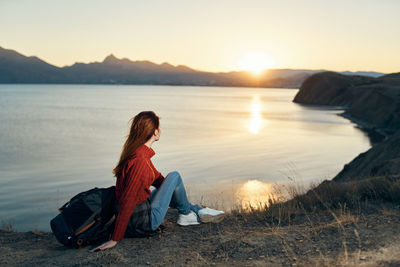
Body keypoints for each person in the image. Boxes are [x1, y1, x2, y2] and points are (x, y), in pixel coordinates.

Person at [90, 111, 224, 252]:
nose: (161, 130)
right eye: (159, 128)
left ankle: (197, 210)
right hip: (143, 223)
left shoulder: (139, 155)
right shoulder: (140, 161)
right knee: (175, 176)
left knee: (169, 183)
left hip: (139, 215)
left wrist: (186, 201)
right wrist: (115, 238)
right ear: (155, 132)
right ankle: (186, 215)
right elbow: (127, 201)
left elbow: (161, 183)